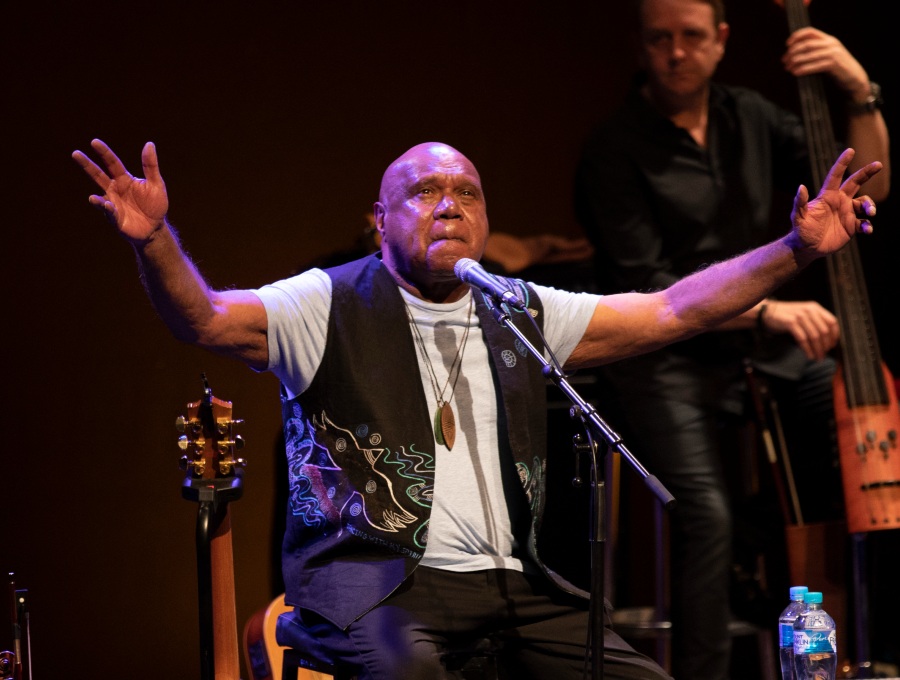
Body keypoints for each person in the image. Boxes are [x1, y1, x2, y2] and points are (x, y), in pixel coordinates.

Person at [72, 137, 880, 680]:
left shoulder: (519, 308)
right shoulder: (325, 303)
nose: (448, 204)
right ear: (379, 221)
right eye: (423, 192)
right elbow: (207, 317)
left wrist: (797, 250)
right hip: (376, 586)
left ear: (488, 220)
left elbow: (672, 310)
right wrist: (154, 241)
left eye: (466, 192)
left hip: (516, 585)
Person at [572, 0, 891, 677]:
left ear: (720, 41)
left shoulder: (750, 116)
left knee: (849, 435)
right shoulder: (612, 148)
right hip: (665, 361)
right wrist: (770, 308)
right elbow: (651, 291)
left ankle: (845, 650)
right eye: (661, 39)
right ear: (641, 46)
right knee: (707, 517)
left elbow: (871, 186)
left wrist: (857, 88)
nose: (677, 53)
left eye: (692, 37)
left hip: (754, 356)